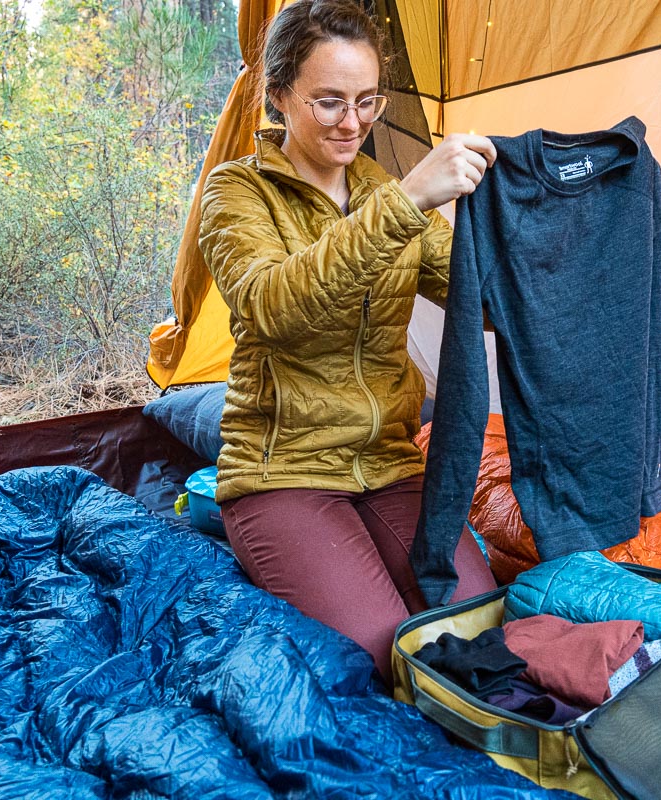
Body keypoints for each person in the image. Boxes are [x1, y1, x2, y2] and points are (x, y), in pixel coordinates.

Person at [198, 0, 498, 682]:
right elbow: (276, 308)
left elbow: (480, 298)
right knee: (379, 650)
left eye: (367, 101)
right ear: (278, 95)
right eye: (329, 101)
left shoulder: (380, 189)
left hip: (390, 464)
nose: (354, 123)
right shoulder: (237, 192)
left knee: (477, 624)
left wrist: (532, 217)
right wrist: (406, 202)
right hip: (284, 473)